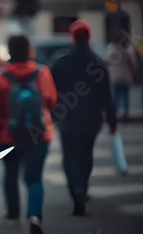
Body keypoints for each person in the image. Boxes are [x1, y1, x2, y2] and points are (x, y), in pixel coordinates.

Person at [0, 35, 57, 234]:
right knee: (35, 178)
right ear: (29, 50)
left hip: (8, 137)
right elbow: (51, 100)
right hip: (39, 135)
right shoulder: (43, 72)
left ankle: (13, 213)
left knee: (11, 175)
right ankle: (34, 216)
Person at [50, 20, 117, 216]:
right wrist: (112, 121)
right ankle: (83, 188)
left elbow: (51, 92)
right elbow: (107, 96)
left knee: (69, 157)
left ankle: (76, 190)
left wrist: (52, 113)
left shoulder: (61, 62)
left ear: (72, 37)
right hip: (92, 119)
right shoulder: (98, 63)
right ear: (88, 36)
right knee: (86, 155)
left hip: (67, 118)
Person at [107, 30, 139, 122]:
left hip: (115, 76)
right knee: (125, 96)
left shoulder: (112, 47)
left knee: (116, 97)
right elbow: (133, 64)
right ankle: (126, 114)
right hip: (126, 77)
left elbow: (108, 61)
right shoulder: (128, 49)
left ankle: (115, 115)